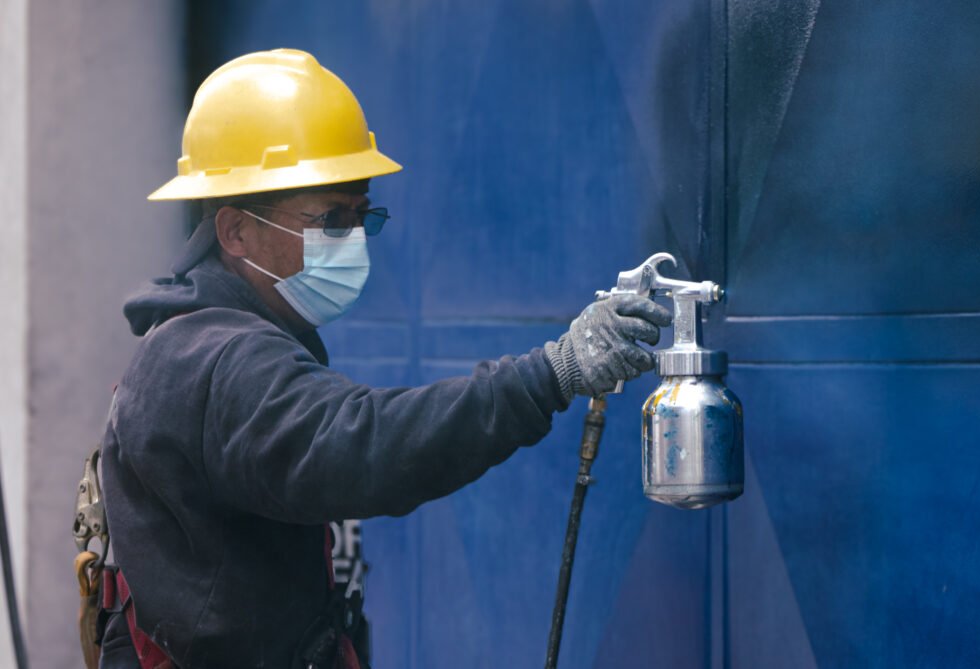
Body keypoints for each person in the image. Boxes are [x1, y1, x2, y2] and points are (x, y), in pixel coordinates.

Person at [97, 48, 670, 669]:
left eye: (359, 215)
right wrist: (550, 374)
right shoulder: (215, 358)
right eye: (329, 218)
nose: (350, 239)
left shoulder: (207, 337)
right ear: (235, 232)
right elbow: (359, 445)